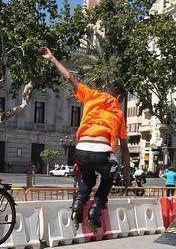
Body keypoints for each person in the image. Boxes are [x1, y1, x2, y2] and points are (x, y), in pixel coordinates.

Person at [40, 46, 130, 232]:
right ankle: (95, 212)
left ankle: (77, 207)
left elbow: (70, 78)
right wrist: (127, 173)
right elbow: (125, 149)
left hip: (80, 149)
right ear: (119, 97)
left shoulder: (91, 95)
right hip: (101, 150)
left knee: (88, 180)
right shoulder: (119, 113)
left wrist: (52, 58)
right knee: (109, 176)